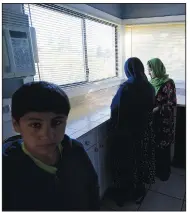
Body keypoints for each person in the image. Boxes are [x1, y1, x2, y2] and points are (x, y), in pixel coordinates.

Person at [2, 81, 100, 211]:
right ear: (16, 125)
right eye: (36, 125)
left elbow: (92, 188)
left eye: (57, 122)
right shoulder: (6, 171)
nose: (47, 135)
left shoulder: (75, 150)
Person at [108, 57, 156, 206]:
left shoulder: (126, 88)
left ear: (128, 70)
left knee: (125, 164)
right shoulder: (150, 87)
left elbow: (116, 111)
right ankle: (139, 189)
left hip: (126, 135)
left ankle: (125, 193)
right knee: (140, 160)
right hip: (143, 132)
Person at [147, 58, 177, 181]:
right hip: (154, 120)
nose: (149, 72)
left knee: (163, 146)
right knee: (155, 146)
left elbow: (171, 103)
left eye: (151, 70)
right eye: (148, 70)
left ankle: (164, 173)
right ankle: (157, 170)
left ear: (157, 69)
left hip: (164, 120)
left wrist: (157, 109)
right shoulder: (152, 82)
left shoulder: (168, 83)